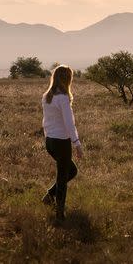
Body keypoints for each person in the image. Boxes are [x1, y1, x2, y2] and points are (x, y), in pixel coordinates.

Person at [41, 65, 83, 221]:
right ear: (67, 79)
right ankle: (59, 213)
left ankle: (49, 196)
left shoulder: (46, 96)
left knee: (71, 171)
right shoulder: (63, 98)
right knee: (63, 176)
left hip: (50, 141)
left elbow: (46, 120)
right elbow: (69, 124)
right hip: (61, 142)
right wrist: (77, 144)